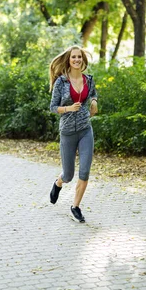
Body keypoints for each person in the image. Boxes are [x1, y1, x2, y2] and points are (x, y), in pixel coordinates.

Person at [48, 45, 98, 223]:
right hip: (68, 132)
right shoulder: (61, 82)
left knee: (84, 171)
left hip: (85, 130)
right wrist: (68, 108)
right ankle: (58, 183)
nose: (77, 60)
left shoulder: (89, 80)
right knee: (68, 175)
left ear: (83, 60)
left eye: (79, 57)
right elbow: (53, 107)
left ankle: (75, 206)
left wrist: (93, 101)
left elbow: (93, 93)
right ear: (68, 60)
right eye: (73, 57)